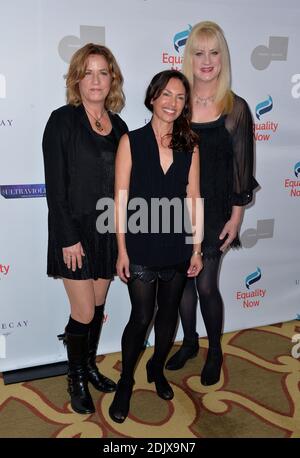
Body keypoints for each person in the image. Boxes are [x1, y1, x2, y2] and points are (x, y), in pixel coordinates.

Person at [166, 21, 259, 385]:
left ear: (223, 57)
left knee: (205, 285)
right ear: (189, 57)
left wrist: (236, 216)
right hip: (178, 210)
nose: (207, 61)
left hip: (218, 210)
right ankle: (189, 342)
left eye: (214, 52)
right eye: (199, 53)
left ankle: (215, 350)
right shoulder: (178, 103)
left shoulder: (235, 107)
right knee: (182, 286)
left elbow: (242, 167)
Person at [108, 70, 203, 423]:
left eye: (180, 97)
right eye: (166, 95)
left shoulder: (190, 145)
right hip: (141, 245)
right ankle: (125, 380)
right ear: (152, 98)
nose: (172, 103)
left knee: (168, 315)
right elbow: (119, 201)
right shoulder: (130, 141)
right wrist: (122, 250)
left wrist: (196, 248)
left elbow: (193, 198)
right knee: (142, 316)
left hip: (177, 243)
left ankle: (157, 369)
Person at [42, 43, 128, 414]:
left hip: (108, 231)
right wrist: (67, 238)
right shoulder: (61, 121)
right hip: (74, 232)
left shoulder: (120, 126)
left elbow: (126, 186)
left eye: (103, 72)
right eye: (88, 72)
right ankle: (75, 376)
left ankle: (90, 365)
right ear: (76, 78)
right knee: (84, 312)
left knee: (97, 303)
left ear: (113, 80)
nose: (96, 80)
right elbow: (55, 187)